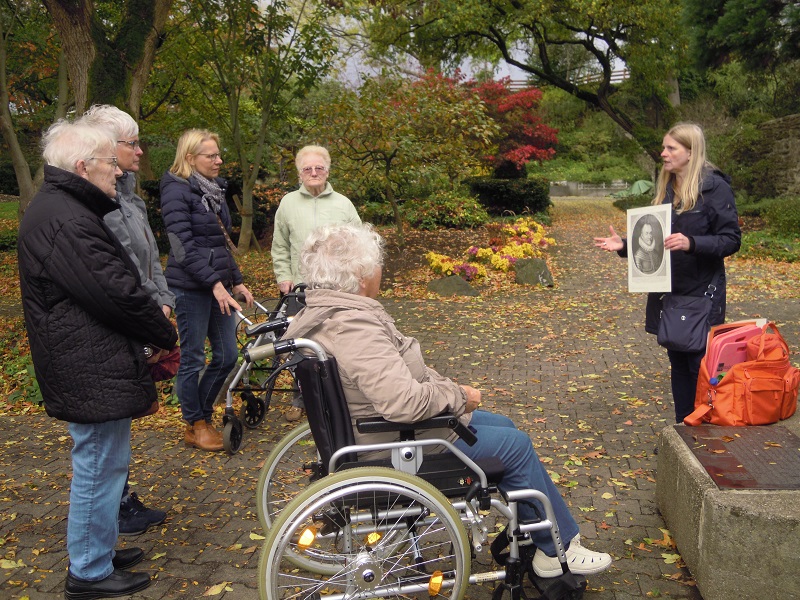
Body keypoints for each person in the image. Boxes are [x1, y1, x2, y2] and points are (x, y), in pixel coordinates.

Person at [283, 223, 613, 578]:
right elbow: (403, 403)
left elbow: (400, 382)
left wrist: (450, 392)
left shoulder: (328, 314)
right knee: (515, 445)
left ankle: (534, 530)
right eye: (377, 264)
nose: (382, 270)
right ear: (361, 274)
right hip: (393, 446)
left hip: (379, 434)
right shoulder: (352, 326)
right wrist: (458, 397)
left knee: (504, 427)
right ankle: (557, 551)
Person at [18, 120, 177, 599]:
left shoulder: (66, 208)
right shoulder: (65, 217)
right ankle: (88, 571)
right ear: (84, 166)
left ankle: (99, 549)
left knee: (108, 462)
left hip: (92, 358)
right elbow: (116, 292)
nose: (119, 172)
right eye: (111, 163)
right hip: (86, 362)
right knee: (99, 465)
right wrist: (163, 333)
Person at [594, 122, 741, 423]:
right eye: (664, 147)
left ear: (690, 151)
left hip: (702, 293)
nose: (663, 153)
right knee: (677, 362)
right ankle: (684, 431)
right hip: (669, 291)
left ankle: (701, 435)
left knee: (698, 366)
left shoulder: (715, 188)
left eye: (671, 148)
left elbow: (731, 240)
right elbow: (654, 240)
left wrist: (692, 243)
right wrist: (625, 244)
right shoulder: (666, 189)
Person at [79, 104, 174, 536]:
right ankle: (110, 513)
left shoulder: (129, 196)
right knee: (103, 436)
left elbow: (150, 258)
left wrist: (164, 300)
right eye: (131, 143)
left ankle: (118, 502)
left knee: (118, 428)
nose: (138, 151)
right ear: (105, 147)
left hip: (147, 315)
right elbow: (122, 271)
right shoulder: (100, 203)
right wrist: (150, 313)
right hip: (123, 326)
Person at [161, 129, 254, 451]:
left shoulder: (212, 190)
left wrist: (236, 279)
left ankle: (200, 414)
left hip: (218, 286)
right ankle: (196, 424)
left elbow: (219, 243)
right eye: (211, 156)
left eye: (218, 154)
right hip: (190, 288)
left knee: (228, 354)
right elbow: (182, 248)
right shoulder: (176, 190)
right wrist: (215, 284)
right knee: (193, 359)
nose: (219, 160)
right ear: (190, 158)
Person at [271, 145, 361, 422]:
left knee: (341, 341)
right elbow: (280, 245)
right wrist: (283, 276)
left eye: (318, 168)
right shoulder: (288, 203)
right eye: (307, 168)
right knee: (300, 344)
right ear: (299, 173)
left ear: (328, 171)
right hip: (301, 288)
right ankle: (300, 399)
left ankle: (344, 397)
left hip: (338, 289)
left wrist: (355, 277)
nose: (313, 173)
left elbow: (359, 244)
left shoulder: (343, 204)